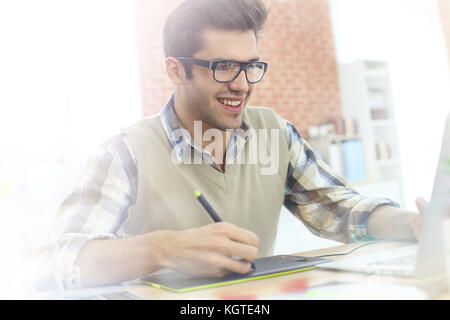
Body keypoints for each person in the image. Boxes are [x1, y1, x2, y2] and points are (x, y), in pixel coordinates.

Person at [52, 0, 425, 289]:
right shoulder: (125, 153)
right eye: (224, 67)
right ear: (175, 70)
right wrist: (163, 248)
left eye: (250, 66)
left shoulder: (274, 133)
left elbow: (340, 209)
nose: (243, 85)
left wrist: (411, 223)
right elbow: (68, 261)